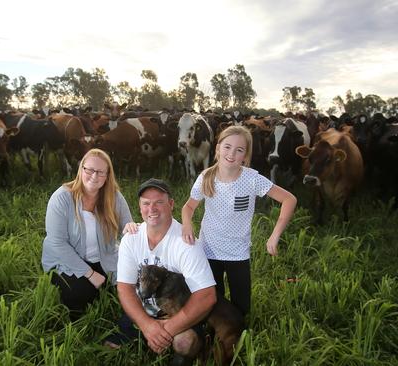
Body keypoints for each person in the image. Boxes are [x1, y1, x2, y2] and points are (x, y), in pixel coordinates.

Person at [181, 125, 297, 318]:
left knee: (241, 308)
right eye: (227, 147)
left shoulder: (252, 179)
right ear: (217, 149)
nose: (231, 154)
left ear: (246, 156)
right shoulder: (206, 177)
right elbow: (188, 207)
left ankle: (238, 337)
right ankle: (214, 335)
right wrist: (187, 224)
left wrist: (275, 235)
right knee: (212, 303)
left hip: (238, 252)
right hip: (209, 249)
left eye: (239, 150)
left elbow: (289, 199)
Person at [113, 178, 217, 361]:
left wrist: (166, 330)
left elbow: (206, 296)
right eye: (146, 203)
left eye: (159, 202)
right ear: (140, 207)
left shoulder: (186, 242)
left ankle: (189, 345)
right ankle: (147, 341)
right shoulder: (131, 239)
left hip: (178, 313)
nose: (152, 209)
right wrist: (147, 326)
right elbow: (125, 288)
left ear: (171, 204)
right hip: (144, 312)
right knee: (111, 348)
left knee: (185, 342)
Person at [41, 148, 133, 319]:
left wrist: (130, 229)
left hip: (104, 257)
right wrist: (89, 273)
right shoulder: (62, 198)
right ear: (81, 169)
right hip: (66, 261)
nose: (94, 176)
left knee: (128, 287)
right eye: (89, 169)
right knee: (81, 294)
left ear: (107, 176)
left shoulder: (114, 197)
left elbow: (127, 225)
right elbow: (56, 243)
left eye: (100, 172)